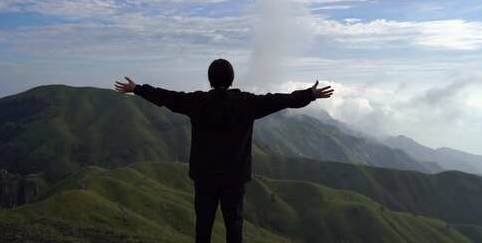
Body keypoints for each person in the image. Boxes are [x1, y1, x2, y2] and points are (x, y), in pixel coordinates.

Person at [114, 58, 334, 243]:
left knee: (203, 226)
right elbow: (281, 100)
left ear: (210, 80)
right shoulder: (247, 103)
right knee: (234, 226)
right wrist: (310, 94)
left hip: (204, 177)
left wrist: (137, 89)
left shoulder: (197, 102)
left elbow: (167, 97)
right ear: (231, 79)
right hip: (235, 178)